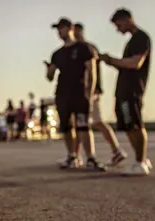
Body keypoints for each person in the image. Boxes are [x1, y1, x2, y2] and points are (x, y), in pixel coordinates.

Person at [45, 17, 105, 170]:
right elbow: (50, 77)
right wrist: (49, 70)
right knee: (66, 127)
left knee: (83, 125)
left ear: (70, 28)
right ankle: (72, 155)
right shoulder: (57, 54)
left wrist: (90, 94)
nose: (59, 32)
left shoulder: (85, 48)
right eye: (57, 29)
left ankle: (91, 157)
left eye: (62, 28)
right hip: (63, 94)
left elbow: (92, 73)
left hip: (80, 92)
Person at [100, 8, 153, 175]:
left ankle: (141, 162)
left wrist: (111, 60)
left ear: (127, 20)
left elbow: (135, 63)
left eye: (118, 25)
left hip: (132, 89)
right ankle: (141, 159)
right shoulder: (132, 41)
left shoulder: (141, 38)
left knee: (135, 125)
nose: (118, 29)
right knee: (128, 125)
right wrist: (111, 62)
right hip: (123, 89)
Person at [73, 22, 128, 166]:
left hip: (90, 92)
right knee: (80, 123)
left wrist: (92, 91)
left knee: (95, 121)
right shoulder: (76, 50)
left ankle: (116, 150)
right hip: (82, 92)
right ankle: (75, 155)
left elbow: (92, 73)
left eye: (76, 31)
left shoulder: (87, 48)